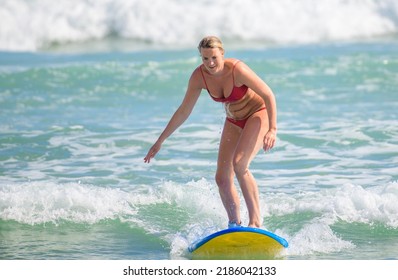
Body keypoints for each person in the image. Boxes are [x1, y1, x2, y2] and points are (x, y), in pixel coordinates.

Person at [144, 36, 277, 228]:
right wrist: (160, 141)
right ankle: (234, 224)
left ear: (222, 53)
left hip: (258, 114)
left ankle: (255, 222)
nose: (210, 63)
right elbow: (183, 111)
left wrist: (272, 129)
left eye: (214, 57)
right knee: (222, 179)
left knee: (239, 164)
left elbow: (268, 94)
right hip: (234, 120)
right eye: (205, 59)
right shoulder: (199, 77)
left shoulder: (237, 70)